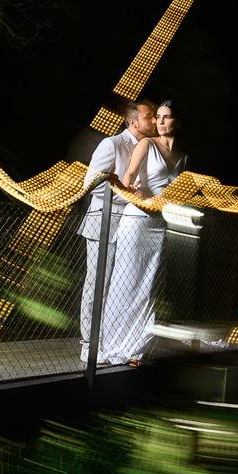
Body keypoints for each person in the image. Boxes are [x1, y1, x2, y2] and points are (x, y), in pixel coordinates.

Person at [99, 99, 188, 365]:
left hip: (159, 224)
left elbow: (176, 193)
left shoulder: (183, 157)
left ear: (177, 122)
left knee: (146, 286)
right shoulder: (146, 145)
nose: (160, 122)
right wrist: (136, 197)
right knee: (124, 284)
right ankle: (112, 347)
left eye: (166, 117)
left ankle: (133, 348)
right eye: (157, 117)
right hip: (136, 220)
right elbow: (126, 180)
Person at [77, 99, 158, 363]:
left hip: (132, 228)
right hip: (105, 223)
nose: (155, 121)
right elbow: (92, 184)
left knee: (119, 289)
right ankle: (89, 344)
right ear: (133, 122)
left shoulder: (150, 147)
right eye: (149, 116)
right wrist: (130, 197)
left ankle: (111, 343)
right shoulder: (111, 144)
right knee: (97, 285)